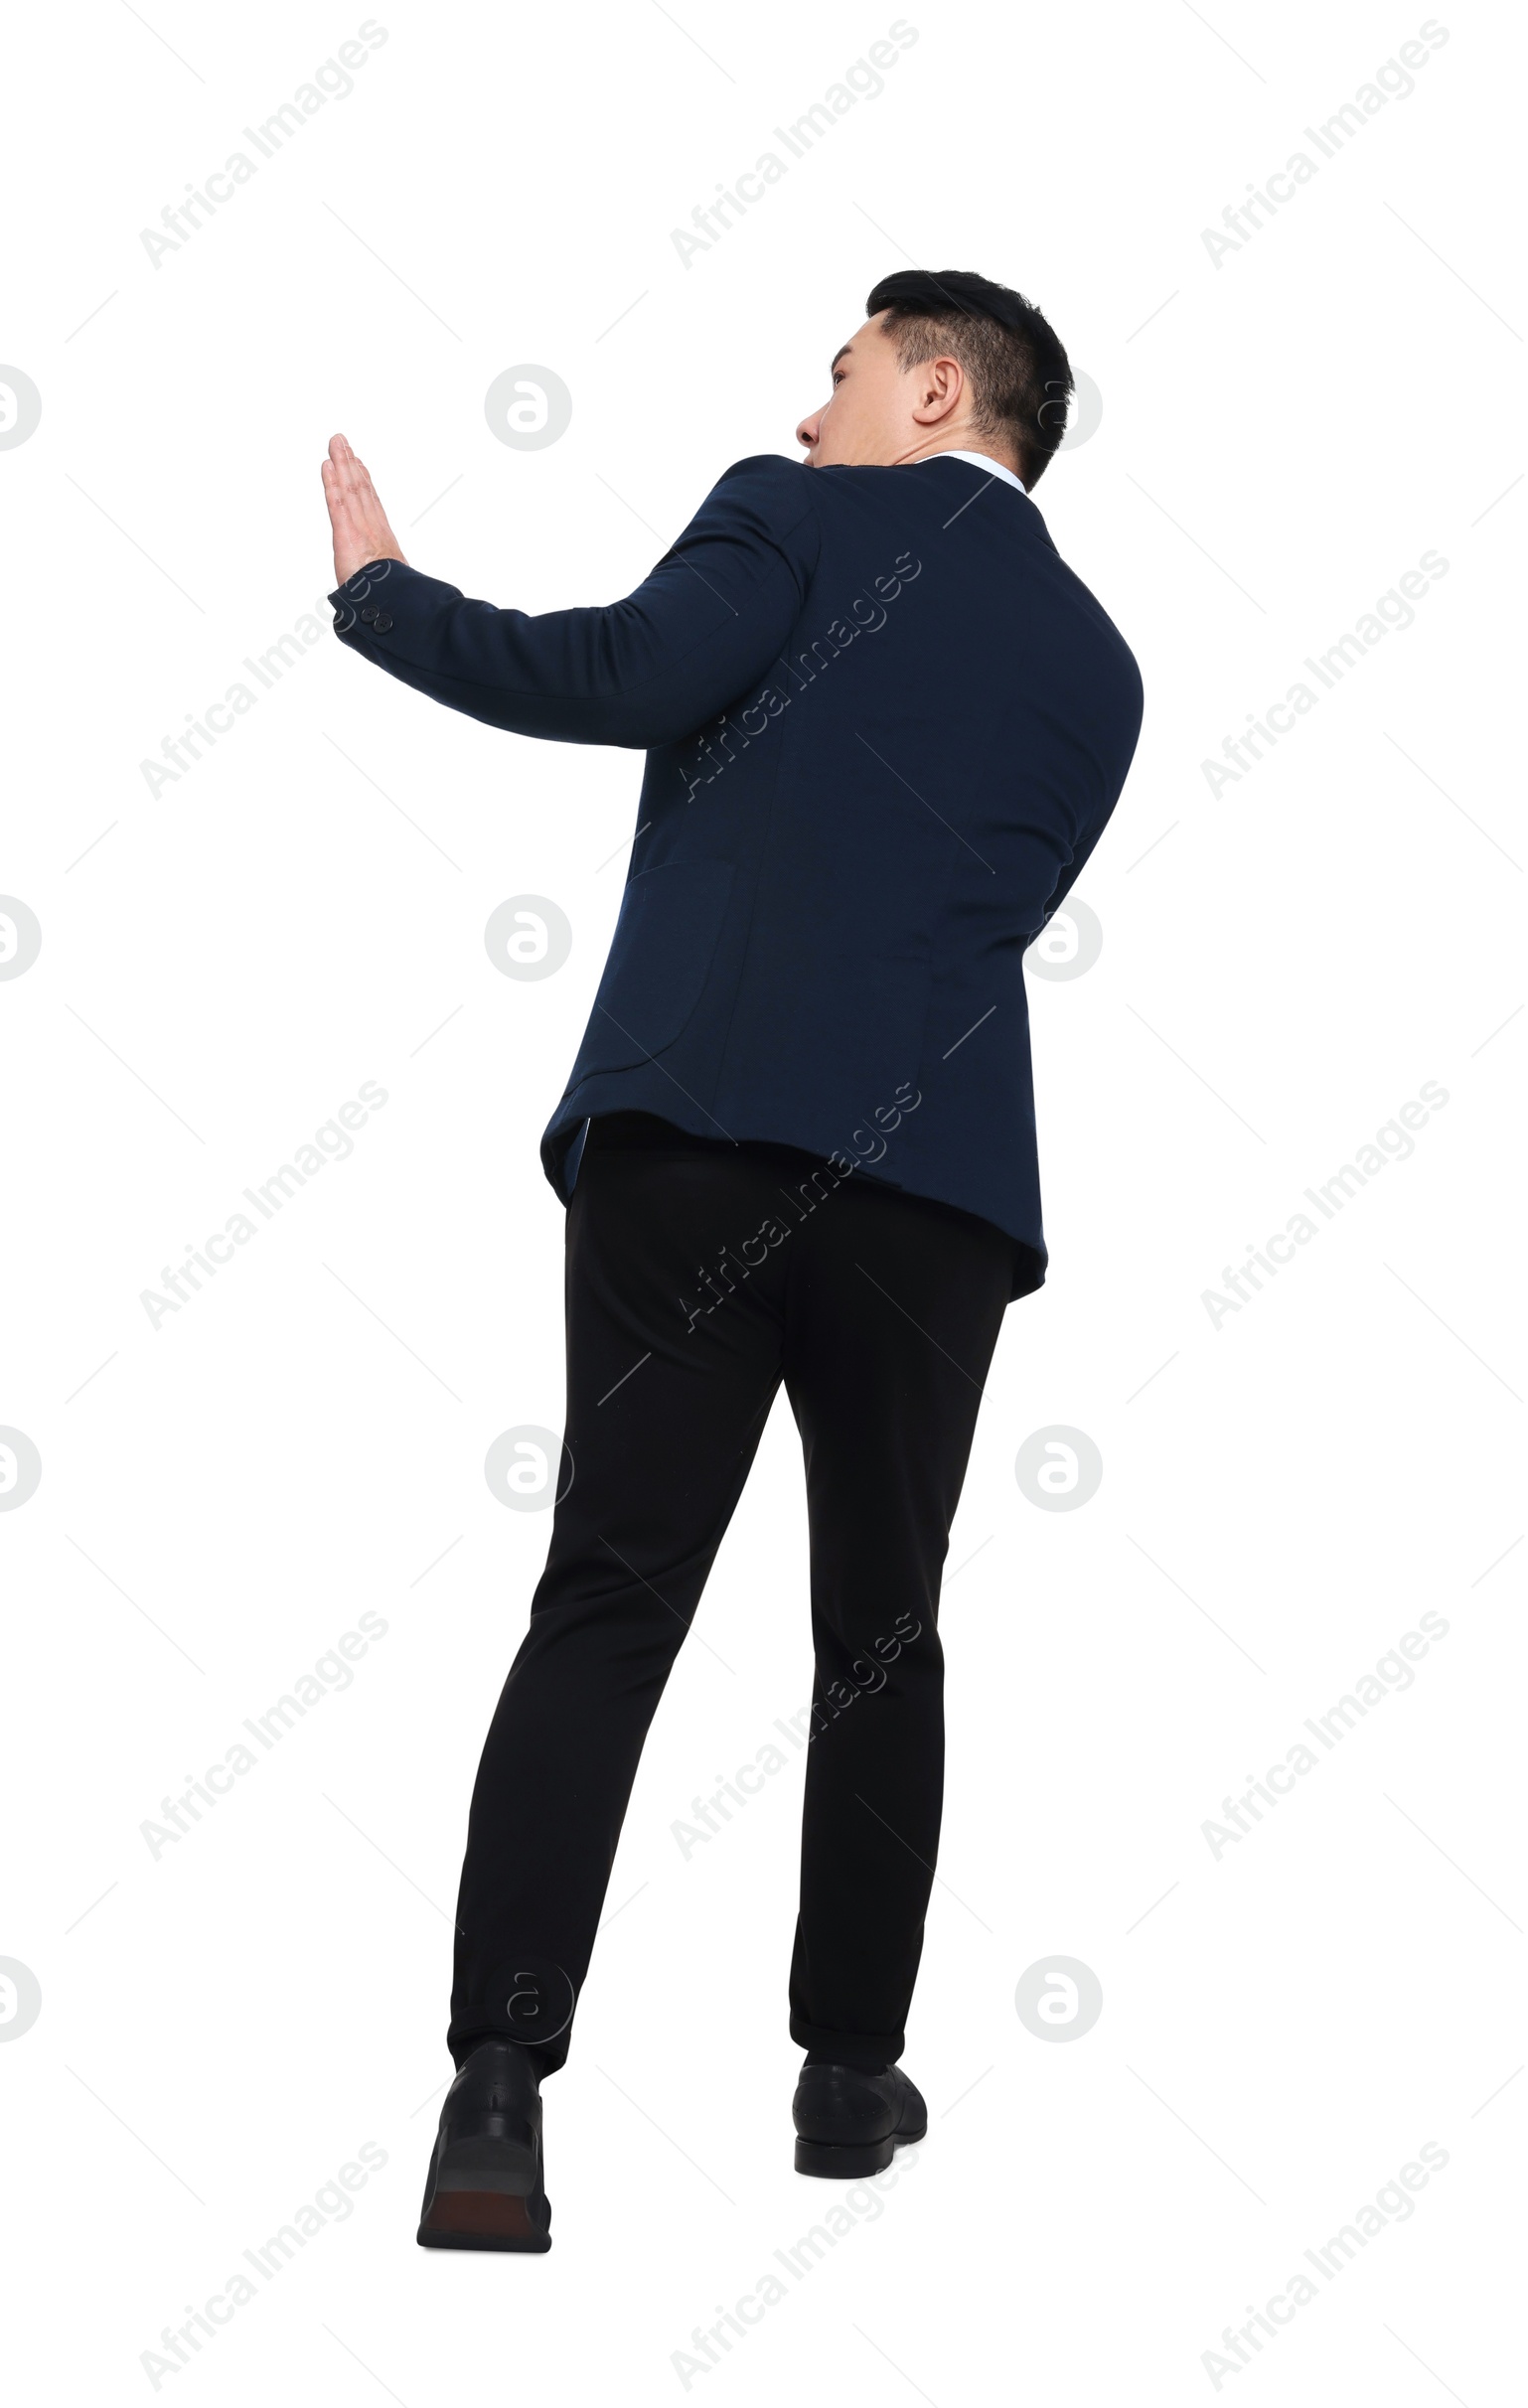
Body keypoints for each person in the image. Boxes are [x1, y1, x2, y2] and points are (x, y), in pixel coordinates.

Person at [320, 269, 1144, 2253]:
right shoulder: (1100, 666)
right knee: (879, 1630)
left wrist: (381, 597)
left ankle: (498, 2097)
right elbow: (987, 899)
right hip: (934, 1190)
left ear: (937, 385)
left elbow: (612, 675)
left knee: (610, 1591)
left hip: (698, 1141)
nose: (806, 411)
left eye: (843, 371)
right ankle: (846, 2079)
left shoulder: (790, 515)